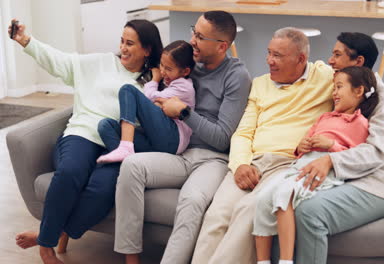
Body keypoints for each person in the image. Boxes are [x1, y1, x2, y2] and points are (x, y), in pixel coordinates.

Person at [9, 19, 163, 264]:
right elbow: (59, 61)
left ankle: (48, 234)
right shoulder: (100, 63)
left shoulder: (153, 82)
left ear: (148, 49)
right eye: (122, 41)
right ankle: (47, 249)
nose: (123, 47)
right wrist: (26, 41)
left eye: (130, 43)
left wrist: (156, 82)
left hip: (116, 147)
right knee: (71, 172)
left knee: (103, 191)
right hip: (81, 135)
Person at [113, 11, 251, 264]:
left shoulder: (237, 77)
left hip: (213, 159)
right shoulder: (187, 64)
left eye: (200, 36)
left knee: (192, 199)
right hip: (178, 151)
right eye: (193, 32)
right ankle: (131, 259)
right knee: (132, 165)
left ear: (222, 46)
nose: (192, 40)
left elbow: (221, 138)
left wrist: (185, 112)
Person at [192, 27, 335, 264]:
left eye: (278, 56)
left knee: (248, 210)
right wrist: (239, 164)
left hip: (288, 164)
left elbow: (375, 87)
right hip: (252, 162)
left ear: (301, 59)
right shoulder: (260, 84)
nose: (269, 61)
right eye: (269, 53)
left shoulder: (325, 77)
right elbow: (243, 132)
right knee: (217, 215)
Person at [283, 32, 384, 264]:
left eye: (337, 55)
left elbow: (377, 151)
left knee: (310, 213)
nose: (330, 60)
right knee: (282, 201)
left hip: (380, 184)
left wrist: (331, 161)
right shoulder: (341, 89)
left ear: (358, 62)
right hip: (348, 176)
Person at [253, 66, 379, 264]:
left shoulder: (359, 123)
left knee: (284, 194)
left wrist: (332, 145)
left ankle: (285, 261)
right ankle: (263, 261)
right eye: (333, 88)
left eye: (339, 87)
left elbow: (357, 158)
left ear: (358, 91)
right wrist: (302, 146)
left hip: (324, 171)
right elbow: (304, 143)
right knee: (262, 198)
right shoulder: (325, 117)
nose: (334, 93)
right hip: (301, 165)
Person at [97, 40, 196, 164]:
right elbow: (156, 104)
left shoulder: (184, 86)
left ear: (185, 72)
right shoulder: (171, 82)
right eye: (162, 65)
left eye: (168, 69)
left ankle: (125, 147)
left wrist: (154, 80)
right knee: (105, 125)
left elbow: (151, 98)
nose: (162, 71)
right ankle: (125, 160)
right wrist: (158, 105)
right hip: (156, 140)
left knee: (128, 90)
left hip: (173, 139)